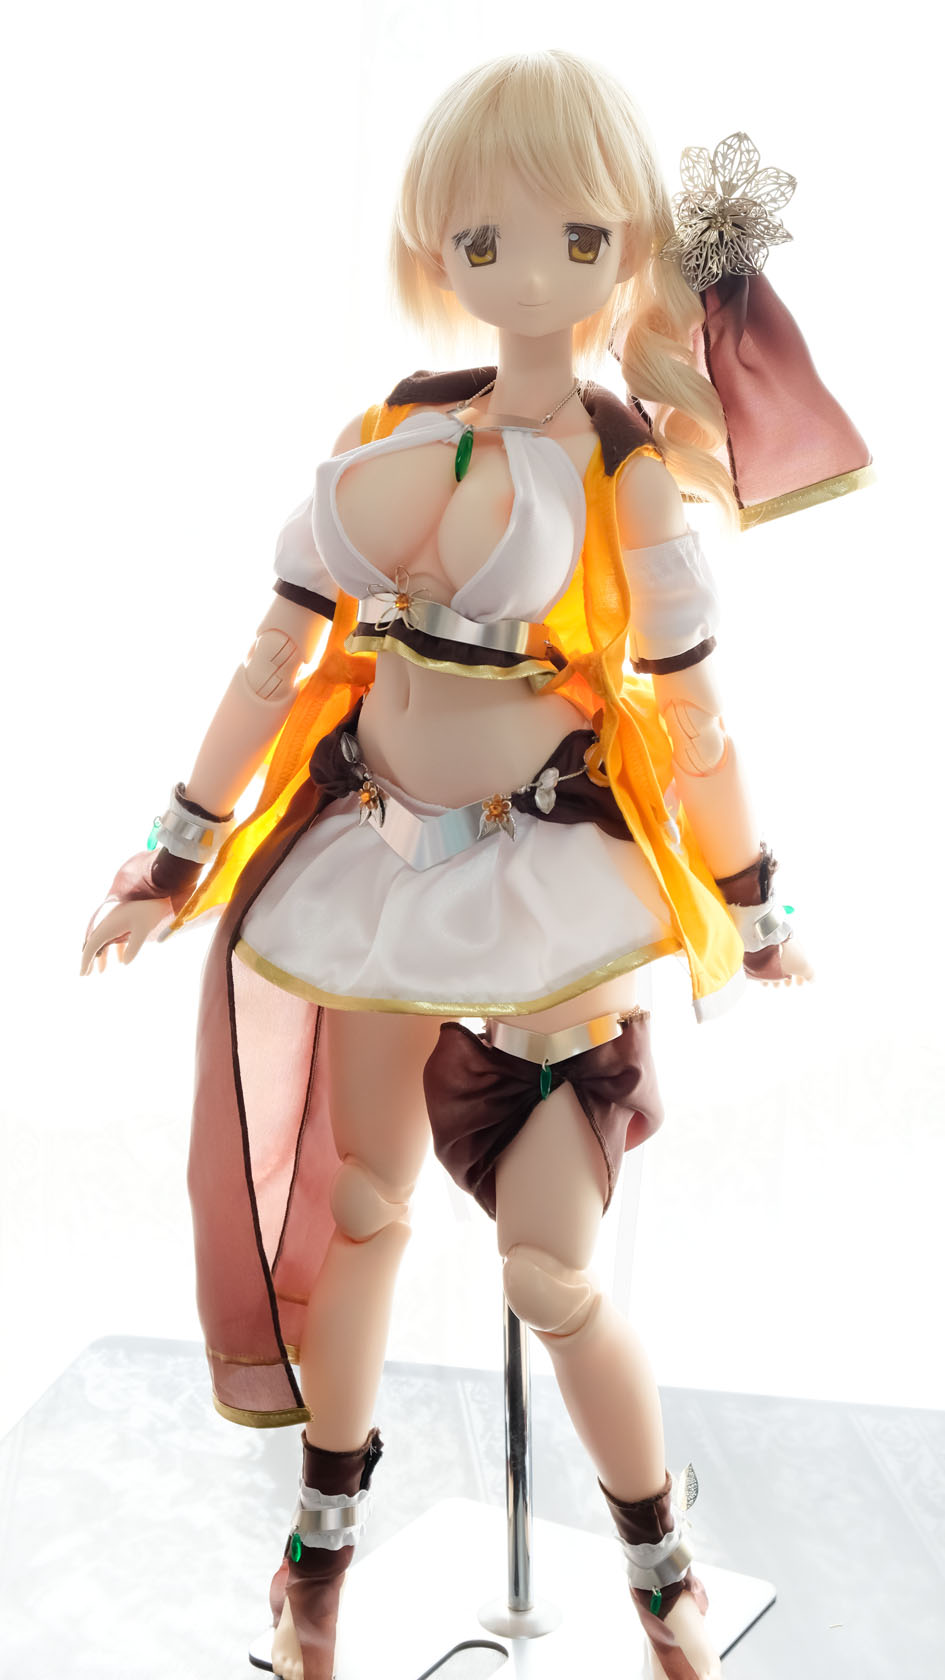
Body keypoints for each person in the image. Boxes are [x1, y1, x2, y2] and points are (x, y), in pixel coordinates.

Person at [81, 49, 829, 1680]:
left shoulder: (627, 467)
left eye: (573, 238)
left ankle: (659, 1572)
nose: (527, 275)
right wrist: (175, 849)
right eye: (483, 240)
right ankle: (317, 1566)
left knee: (549, 1267)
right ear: (442, 247)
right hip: (374, 872)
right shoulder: (395, 425)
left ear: (621, 245)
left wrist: (749, 893)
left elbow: (690, 711)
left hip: (544, 895)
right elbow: (277, 654)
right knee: (361, 1211)